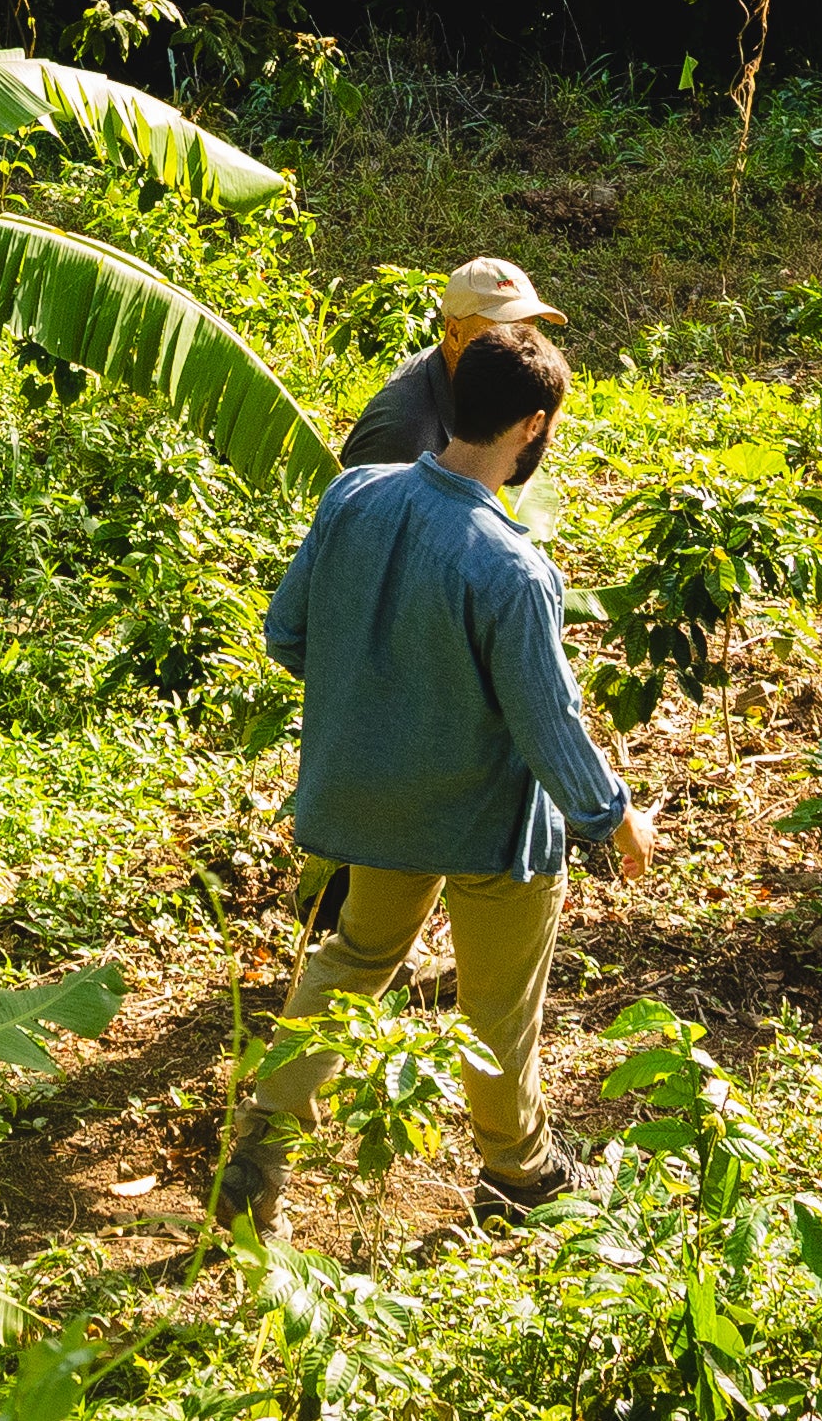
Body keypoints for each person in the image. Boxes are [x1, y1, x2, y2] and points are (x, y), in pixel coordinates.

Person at [219, 324, 650, 1233]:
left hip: (374, 807)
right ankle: (520, 1170)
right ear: (534, 426)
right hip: (490, 833)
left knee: (353, 961)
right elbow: (548, 725)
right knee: (497, 1007)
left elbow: (289, 634)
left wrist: (389, 702)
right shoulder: (511, 567)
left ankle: (258, 1153)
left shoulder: (353, 497)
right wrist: (614, 817)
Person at [339, 256, 562, 470]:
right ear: (454, 333)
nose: (521, 351)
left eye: (526, 333)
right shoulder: (404, 431)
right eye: (502, 335)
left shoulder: (481, 388)